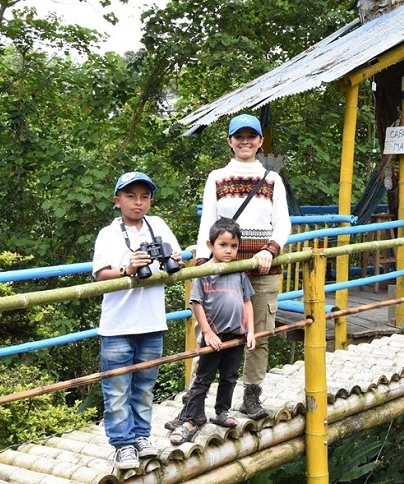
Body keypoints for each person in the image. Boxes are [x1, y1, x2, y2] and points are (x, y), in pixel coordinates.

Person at [195, 113, 291, 419]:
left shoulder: (272, 180)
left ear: (260, 142)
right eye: (239, 137)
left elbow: (283, 223)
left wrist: (270, 250)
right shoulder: (217, 178)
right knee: (209, 334)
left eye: (251, 136)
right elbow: (206, 224)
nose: (245, 142)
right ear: (230, 142)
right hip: (223, 271)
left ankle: (251, 394)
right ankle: (194, 400)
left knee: (258, 333)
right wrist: (202, 265)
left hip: (262, 270)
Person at [92, 171, 182, 470]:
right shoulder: (108, 233)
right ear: (117, 201)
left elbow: (174, 261)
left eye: (144, 197)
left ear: (151, 201)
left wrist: (177, 259)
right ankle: (122, 444)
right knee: (117, 389)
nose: (138, 203)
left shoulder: (158, 226)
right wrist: (127, 268)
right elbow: (101, 274)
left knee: (144, 386)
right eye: (131, 196)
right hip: (118, 325)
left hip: (152, 322)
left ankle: (141, 436)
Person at [169, 218, 256, 445]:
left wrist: (251, 331)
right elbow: (196, 303)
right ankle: (192, 417)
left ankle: (222, 411)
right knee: (203, 378)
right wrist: (207, 332)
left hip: (236, 335)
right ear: (210, 245)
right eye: (223, 245)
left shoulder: (239, 271)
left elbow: (247, 302)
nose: (228, 251)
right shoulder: (204, 271)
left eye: (233, 246)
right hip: (214, 335)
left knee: (229, 376)